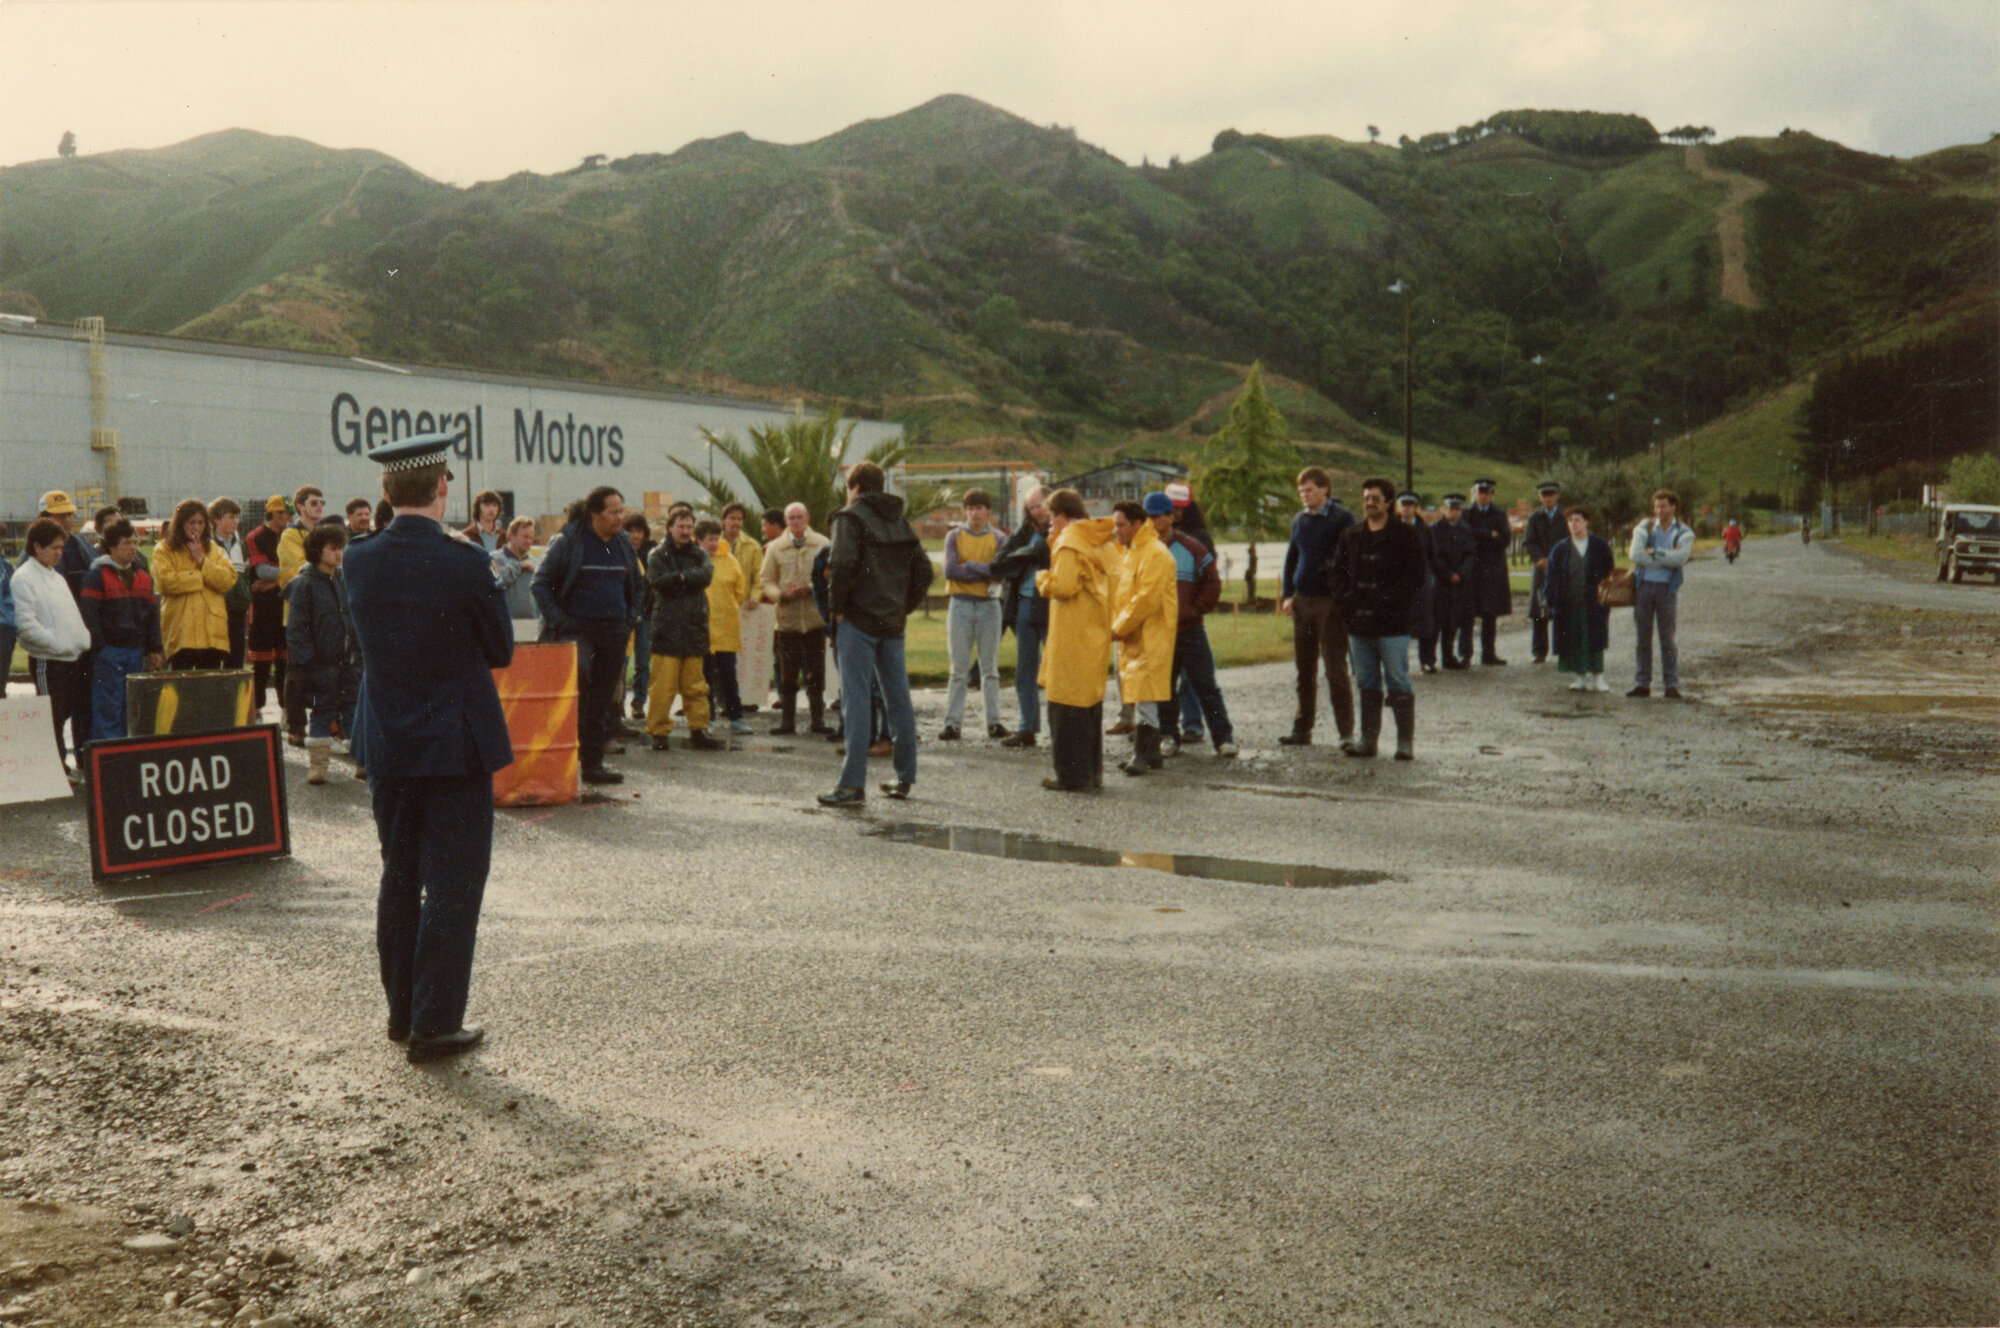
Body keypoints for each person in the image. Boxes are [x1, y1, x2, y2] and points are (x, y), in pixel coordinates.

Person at [343, 430, 513, 1065]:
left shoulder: (358, 558)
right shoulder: (466, 562)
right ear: (444, 487)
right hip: (455, 741)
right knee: (455, 881)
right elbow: (499, 650)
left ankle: (401, 1010)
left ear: (385, 493)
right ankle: (435, 1022)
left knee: (400, 873)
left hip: (388, 739)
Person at [819, 462, 933, 806]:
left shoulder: (848, 518)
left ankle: (852, 785)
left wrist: (837, 608)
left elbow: (841, 563)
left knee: (856, 703)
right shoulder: (898, 519)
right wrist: (903, 606)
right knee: (899, 699)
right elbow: (924, 571)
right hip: (892, 622)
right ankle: (904, 776)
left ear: (853, 487)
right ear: (880, 486)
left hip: (858, 621)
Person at [532, 485, 640, 784]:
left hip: (614, 631)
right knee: (578, 692)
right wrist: (561, 622)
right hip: (578, 631)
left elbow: (636, 586)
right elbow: (540, 584)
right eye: (614, 512)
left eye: (622, 510)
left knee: (602, 701)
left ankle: (593, 766)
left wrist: (629, 620)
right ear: (595, 514)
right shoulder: (568, 542)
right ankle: (559, 765)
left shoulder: (623, 544)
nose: (621, 517)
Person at [1331, 478, 1427, 759]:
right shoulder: (1351, 535)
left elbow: (1415, 577)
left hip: (1392, 623)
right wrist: (1345, 602)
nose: (1369, 503)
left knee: (1397, 679)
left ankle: (1404, 743)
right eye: (1366, 498)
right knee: (1366, 681)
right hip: (1358, 623)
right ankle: (1367, 740)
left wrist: (1389, 602)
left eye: (1375, 498)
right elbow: (1338, 573)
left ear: (1388, 502)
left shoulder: (1406, 536)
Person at [1035, 490, 1115, 792]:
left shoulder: (1070, 541)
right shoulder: (1101, 540)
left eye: (1051, 517)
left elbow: (1065, 585)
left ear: (1060, 515)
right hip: (1095, 632)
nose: (1049, 524)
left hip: (1071, 636)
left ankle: (1070, 776)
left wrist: (1042, 578)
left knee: (1064, 707)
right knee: (1089, 708)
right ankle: (1091, 773)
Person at [1148, 492, 1236, 759]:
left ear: (1171, 516)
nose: (1152, 521)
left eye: (1158, 516)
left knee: (1206, 685)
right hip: (1159, 631)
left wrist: (1196, 609)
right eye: (1148, 516)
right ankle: (1168, 737)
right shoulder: (1144, 549)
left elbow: (1212, 582)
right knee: (1163, 687)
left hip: (1190, 629)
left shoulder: (1193, 547)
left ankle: (1224, 739)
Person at [1278, 466, 1356, 747]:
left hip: (1330, 603)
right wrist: (1288, 594)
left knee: (1335, 669)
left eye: (1309, 489)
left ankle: (1346, 732)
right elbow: (1291, 558)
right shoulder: (1299, 520)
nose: (1304, 495)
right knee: (1304, 669)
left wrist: (1343, 595)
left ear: (1325, 489)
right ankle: (1302, 728)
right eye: (1301, 491)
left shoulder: (1342, 519)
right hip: (1303, 601)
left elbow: (1352, 559)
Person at [22, 491, 98, 760]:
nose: (67, 520)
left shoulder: (81, 546)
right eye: (60, 515)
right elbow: (28, 616)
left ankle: (82, 759)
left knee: (81, 705)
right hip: (53, 650)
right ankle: (53, 767)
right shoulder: (30, 565)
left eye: (69, 515)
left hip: (77, 646)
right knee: (54, 712)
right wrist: (56, 642)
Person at [285, 524, 362, 784]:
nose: (339, 553)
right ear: (318, 551)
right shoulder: (304, 584)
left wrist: (359, 653)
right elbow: (296, 629)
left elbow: (355, 620)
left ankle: (363, 763)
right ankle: (318, 767)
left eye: (341, 548)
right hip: (320, 666)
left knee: (354, 710)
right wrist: (307, 662)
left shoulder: (345, 580)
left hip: (349, 663)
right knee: (321, 711)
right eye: (333, 548)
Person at [79, 517, 164, 744]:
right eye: (127, 543)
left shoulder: (144, 578)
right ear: (112, 547)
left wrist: (155, 649)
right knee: (108, 709)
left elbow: (152, 617)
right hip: (109, 653)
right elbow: (89, 615)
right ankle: (108, 762)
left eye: (135, 542)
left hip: (135, 653)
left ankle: (127, 757)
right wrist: (101, 648)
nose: (133, 548)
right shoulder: (97, 576)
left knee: (131, 710)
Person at [644, 509, 722, 752]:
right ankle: (658, 733)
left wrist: (677, 578)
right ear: (670, 527)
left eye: (689, 527)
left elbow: (706, 576)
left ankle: (699, 730)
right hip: (666, 630)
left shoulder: (700, 554)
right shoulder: (657, 554)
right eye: (681, 526)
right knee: (662, 687)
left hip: (694, 629)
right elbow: (658, 582)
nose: (686, 531)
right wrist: (689, 579)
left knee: (696, 686)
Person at [1108, 500, 1177, 776]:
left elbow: (1146, 598)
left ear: (1137, 524)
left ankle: (1144, 751)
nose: (1116, 530)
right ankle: (1150, 753)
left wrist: (1120, 626)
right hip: (1135, 633)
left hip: (1150, 632)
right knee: (1139, 691)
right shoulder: (1134, 551)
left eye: (1121, 524)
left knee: (1145, 692)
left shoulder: (1155, 553)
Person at [940, 488, 1009, 741]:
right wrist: (985, 571)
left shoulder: (1000, 539)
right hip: (960, 605)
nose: (975, 514)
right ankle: (952, 723)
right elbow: (950, 571)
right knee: (958, 668)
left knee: (989, 668)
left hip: (989, 605)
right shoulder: (953, 537)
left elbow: (1000, 571)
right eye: (970, 508)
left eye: (979, 508)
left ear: (988, 511)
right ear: (964, 511)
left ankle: (994, 722)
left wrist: (969, 565)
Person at [990, 486, 1052, 748]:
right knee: (1025, 669)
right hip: (1025, 603)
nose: (1036, 511)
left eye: (1040, 505)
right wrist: (1029, 553)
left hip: (1051, 603)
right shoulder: (1025, 532)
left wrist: (1026, 555)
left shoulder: (1064, 528)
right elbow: (999, 563)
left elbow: (1048, 556)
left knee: (1058, 669)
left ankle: (1063, 728)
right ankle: (1027, 727)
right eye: (1031, 507)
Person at [761, 502, 830, 736]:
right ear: (785, 520)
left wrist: (812, 588)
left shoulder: (822, 544)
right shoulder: (775, 548)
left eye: (800, 517)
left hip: (814, 620)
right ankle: (787, 722)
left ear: (807, 518)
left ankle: (817, 721)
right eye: (791, 518)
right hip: (788, 622)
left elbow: (830, 575)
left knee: (816, 674)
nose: (796, 522)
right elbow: (767, 580)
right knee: (787, 674)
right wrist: (780, 595)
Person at [153, 497, 238, 670]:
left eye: (201, 522)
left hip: (212, 634)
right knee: (181, 690)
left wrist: (201, 560)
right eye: (191, 522)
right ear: (180, 524)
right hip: (182, 633)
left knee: (208, 690)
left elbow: (228, 580)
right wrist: (202, 578)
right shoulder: (164, 550)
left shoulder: (215, 550)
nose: (197, 527)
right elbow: (166, 582)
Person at [1628, 488, 1694, 699]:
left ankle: (1671, 684)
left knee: (1667, 638)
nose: (1659, 510)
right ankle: (1642, 683)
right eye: (1656, 506)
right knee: (1642, 638)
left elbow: (1681, 559)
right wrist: (1667, 557)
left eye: (1663, 506)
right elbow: (1635, 554)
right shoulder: (1644, 527)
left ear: (1673, 506)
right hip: (1644, 587)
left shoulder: (1684, 532)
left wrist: (1655, 552)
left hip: (1667, 589)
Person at [1546, 507, 1614, 693]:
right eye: (1570, 521)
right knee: (1573, 639)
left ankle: (1598, 677)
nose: (1573, 524)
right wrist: (1550, 599)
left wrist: (1606, 591)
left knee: (1595, 639)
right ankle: (1580, 677)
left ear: (1586, 522)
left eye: (1577, 520)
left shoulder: (1599, 545)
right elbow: (1551, 576)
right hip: (1569, 604)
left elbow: (1610, 570)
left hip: (1595, 602)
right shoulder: (1560, 549)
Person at [698, 518, 752, 736]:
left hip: (727, 628)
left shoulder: (731, 561)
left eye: (715, 538)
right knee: (705, 678)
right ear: (698, 541)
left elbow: (740, 592)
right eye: (708, 540)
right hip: (702, 629)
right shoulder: (694, 560)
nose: (713, 543)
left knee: (729, 675)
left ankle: (736, 718)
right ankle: (707, 719)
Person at [245, 496, 292, 721]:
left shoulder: (291, 536)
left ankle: (286, 708)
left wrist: (276, 580)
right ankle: (258, 709)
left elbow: (303, 567)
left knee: (286, 662)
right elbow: (263, 571)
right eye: (282, 513)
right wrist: (290, 572)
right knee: (260, 663)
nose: (287, 518)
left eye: (288, 513)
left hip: (285, 606)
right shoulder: (256, 537)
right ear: (272, 513)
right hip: (263, 609)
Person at [1463, 478, 1513, 665]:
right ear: (1473, 493)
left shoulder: (1499, 514)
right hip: (1471, 568)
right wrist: (1488, 534)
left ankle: (1488, 654)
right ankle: (1465, 653)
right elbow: (1465, 534)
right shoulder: (1466, 513)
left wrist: (1479, 536)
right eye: (1479, 492)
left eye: (1487, 493)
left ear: (1492, 495)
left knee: (1489, 614)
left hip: (1492, 569)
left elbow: (1505, 539)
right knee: (1468, 614)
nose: (1483, 496)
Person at [1428, 495, 1476, 669]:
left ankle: (1448, 658)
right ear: (1444, 509)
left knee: (1452, 622)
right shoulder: (1434, 529)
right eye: (1450, 508)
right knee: (1436, 622)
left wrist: (1461, 574)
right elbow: (1433, 556)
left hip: (1460, 582)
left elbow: (1471, 554)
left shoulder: (1466, 529)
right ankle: (1430, 660)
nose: (1453, 512)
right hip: (1441, 581)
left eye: (1456, 509)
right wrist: (1448, 574)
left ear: (1460, 511)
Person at [1398, 493, 1440, 674]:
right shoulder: (1392, 527)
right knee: (1398, 626)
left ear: (1416, 508)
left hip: (1421, 583)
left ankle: (1427, 660)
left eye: (1410, 505)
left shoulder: (1425, 529)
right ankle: (1399, 664)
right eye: (1403, 505)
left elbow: (1433, 554)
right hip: (1398, 583)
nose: (1406, 509)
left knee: (1425, 623)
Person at [1522, 481, 1563, 664]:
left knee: (1562, 610)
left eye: (1551, 495)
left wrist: (1557, 560)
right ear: (1540, 497)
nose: (1547, 498)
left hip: (1561, 569)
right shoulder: (1534, 518)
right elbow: (1529, 542)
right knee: (1540, 610)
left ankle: (1563, 649)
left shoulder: (1565, 516)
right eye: (1544, 495)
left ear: (1557, 496)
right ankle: (1539, 651)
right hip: (1541, 569)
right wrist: (1539, 559)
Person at [209, 497, 250, 669]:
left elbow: (246, 573)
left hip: (237, 611)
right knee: (213, 658)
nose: (236, 521)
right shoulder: (208, 544)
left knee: (235, 659)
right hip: (215, 610)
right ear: (217, 519)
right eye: (231, 517)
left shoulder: (240, 545)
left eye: (236, 517)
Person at [624, 512, 657, 722]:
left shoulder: (652, 552)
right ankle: (617, 705)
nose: (635, 535)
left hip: (645, 614)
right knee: (622, 661)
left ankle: (639, 702)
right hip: (626, 614)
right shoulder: (619, 550)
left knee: (643, 662)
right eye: (631, 531)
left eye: (639, 531)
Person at [491, 517, 540, 624]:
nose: (529, 542)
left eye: (531, 538)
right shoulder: (494, 559)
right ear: (512, 537)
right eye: (525, 537)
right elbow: (496, 581)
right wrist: (519, 566)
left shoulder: (535, 563)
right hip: (503, 624)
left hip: (531, 625)